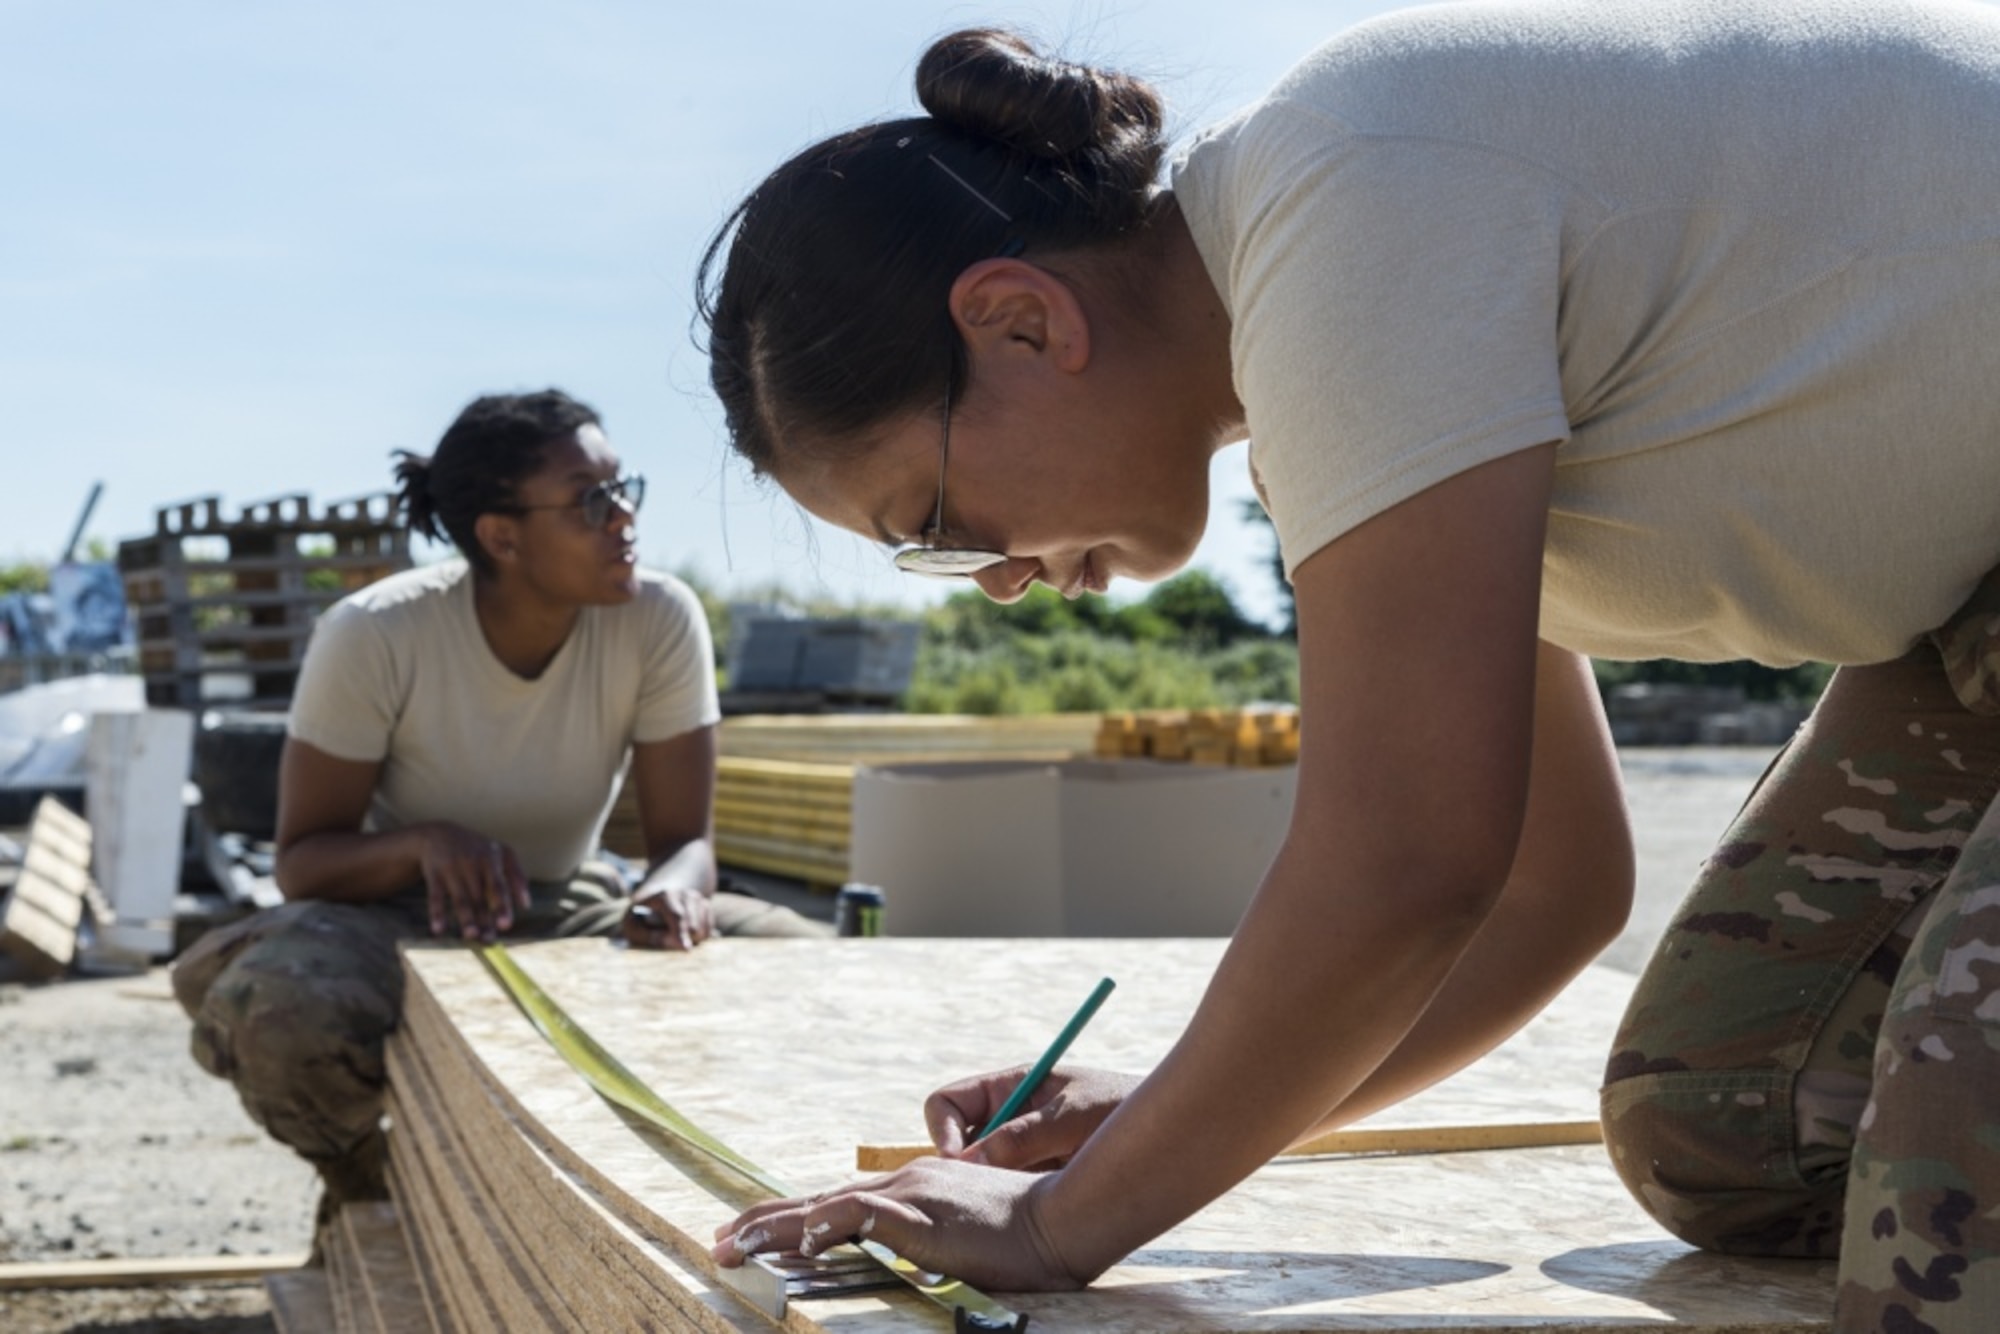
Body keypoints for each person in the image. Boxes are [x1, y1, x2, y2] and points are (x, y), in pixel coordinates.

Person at [694, 4, 2000, 1329]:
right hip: (1973, 605)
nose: (998, 576)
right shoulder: (1340, 351)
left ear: (1023, 323)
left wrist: (1056, 1224)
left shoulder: (1353, 203)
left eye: (933, 525)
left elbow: (1410, 864)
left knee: (1954, 1190)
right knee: (1725, 1123)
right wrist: (1153, 1117)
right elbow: (1550, 885)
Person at [173, 388, 830, 1243]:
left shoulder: (660, 618)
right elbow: (302, 863)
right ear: (501, 536)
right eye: (591, 499)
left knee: (816, 971)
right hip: (396, 916)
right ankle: (368, 1193)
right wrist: (423, 844)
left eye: (623, 486)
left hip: (577, 899)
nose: (623, 516)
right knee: (274, 1007)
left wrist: (672, 893)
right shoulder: (374, 635)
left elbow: (687, 845)